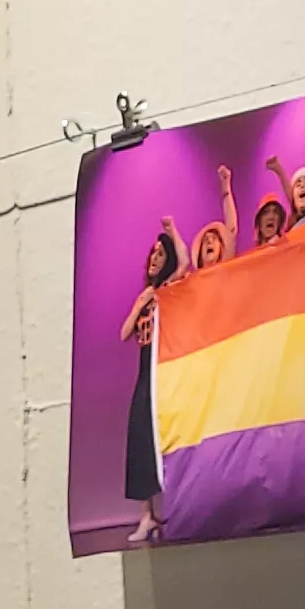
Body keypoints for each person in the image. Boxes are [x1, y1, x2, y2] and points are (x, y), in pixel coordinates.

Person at [118, 226, 183, 544]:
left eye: (161, 253)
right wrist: (139, 303)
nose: (155, 258)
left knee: (167, 437)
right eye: (153, 253)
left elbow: (185, 264)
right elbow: (124, 332)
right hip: (144, 372)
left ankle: (177, 507)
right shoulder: (146, 297)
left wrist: (172, 232)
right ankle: (147, 514)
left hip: (165, 370)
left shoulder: (169, 289)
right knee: (140, 437)